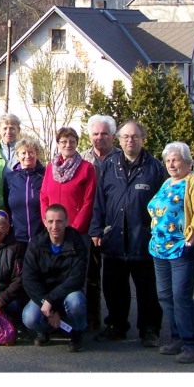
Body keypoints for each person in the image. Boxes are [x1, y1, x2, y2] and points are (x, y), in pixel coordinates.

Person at [90, 120, 166, 346]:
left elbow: (163, 206)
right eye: (125, 137)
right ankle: (116, 325)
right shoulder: (109, 165)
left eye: (134, 137)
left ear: (143, 139)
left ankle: (150, 329)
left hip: (143, 239)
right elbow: (99, 201)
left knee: (147, 289)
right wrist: (96, 229)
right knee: (114, 288)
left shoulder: (154, 168)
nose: (130, 141)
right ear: (119, 140)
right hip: (114, 238)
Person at [149, 141, 194, 364]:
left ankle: (191, 344)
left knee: (181, 297)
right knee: (165, 296)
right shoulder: (167, 182)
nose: (171, 164)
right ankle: (177, 338)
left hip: (182, 249)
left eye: (175, 160)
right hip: (160, 249)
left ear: (187, 161)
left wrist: (192, 239)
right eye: (168, 160)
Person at [22, 204, 90, 352]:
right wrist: (44, 302)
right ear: (45, 222)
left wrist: (51, 301)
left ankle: (77, 333)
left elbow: (77, 278)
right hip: (44, 296)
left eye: (59, 221)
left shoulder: (77, 243)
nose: (55, 226)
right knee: (29, 317)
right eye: (51, 221)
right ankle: (47, 330)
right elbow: (28, 279)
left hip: (67, 293)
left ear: (67, 222)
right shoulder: (36, 244)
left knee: (76, 302)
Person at [80, 113, 120, 332]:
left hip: (116, 225)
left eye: (104, 133)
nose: (99, 137)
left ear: (112, 136)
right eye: (95, 133)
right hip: (89, 226)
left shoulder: (121, 159)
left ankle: (116, 321)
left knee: (115, 279)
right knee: (91, 275)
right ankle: (92, 318)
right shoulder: (81, 160)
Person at [41, 128, 98, 239]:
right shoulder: (50, 168)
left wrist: (74, 229)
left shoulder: (87, 168)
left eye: (72, 142)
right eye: (64, 141)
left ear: (77, 144)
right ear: (58, 144)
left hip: (77, 232)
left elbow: (89, 201)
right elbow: (44, 197)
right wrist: (49, 223)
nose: (68, 145)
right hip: (53, 232)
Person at [3, 137, 46, 255]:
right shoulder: (10, 178)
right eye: (23, 152)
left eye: (31, 152)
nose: (27, 156)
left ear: (36, 154)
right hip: (17, 237)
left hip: (41, 236)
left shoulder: (45, 176)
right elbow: (8, 204)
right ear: (17, 155)